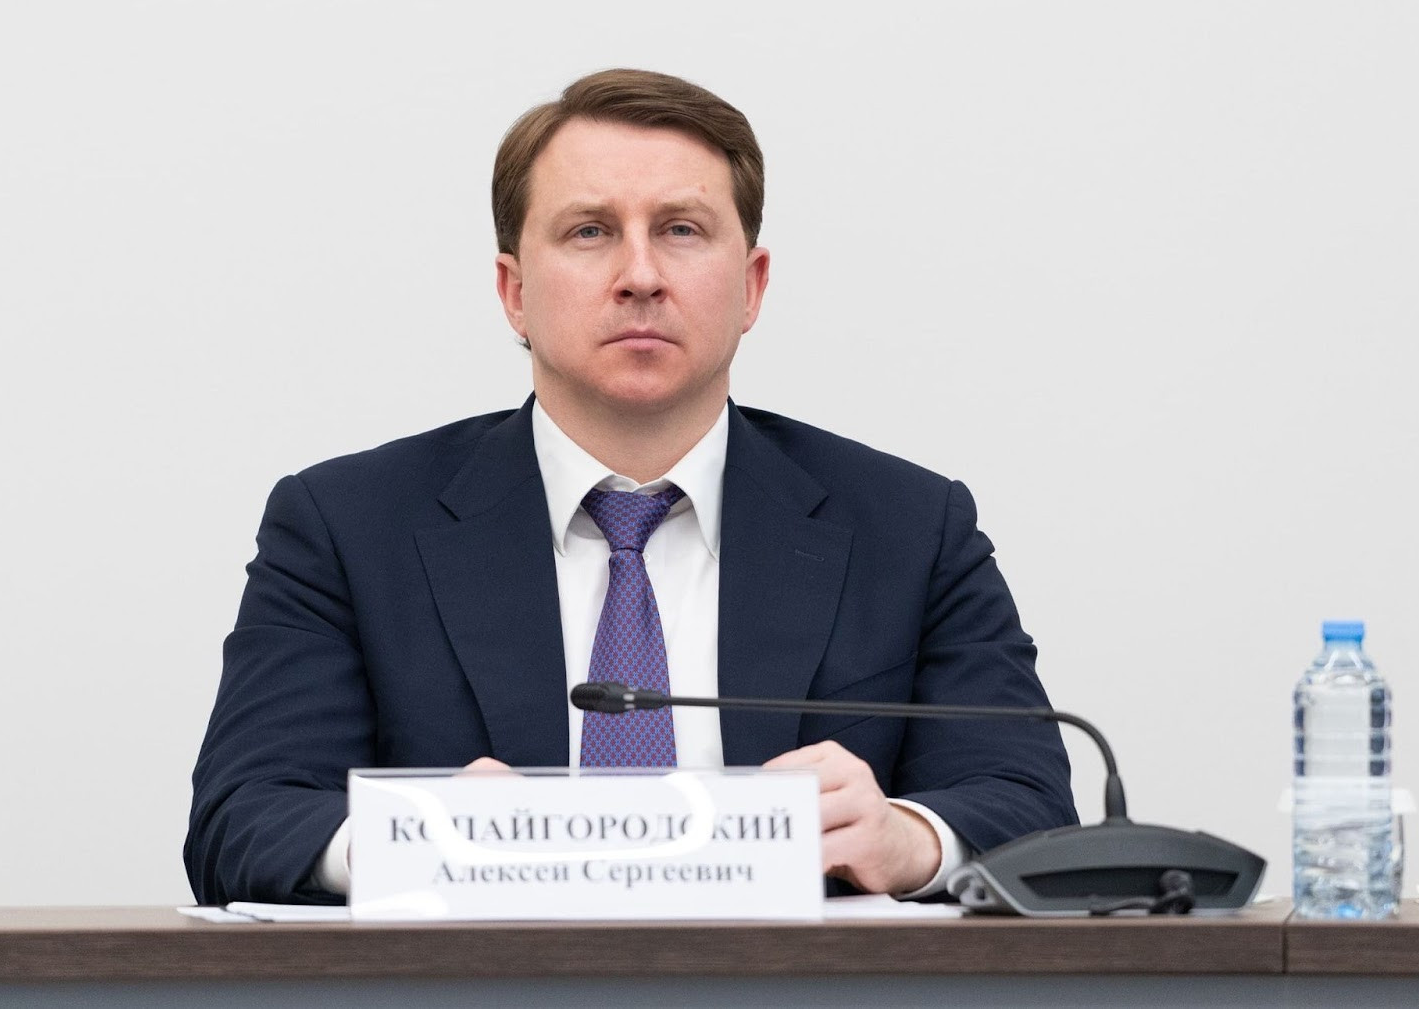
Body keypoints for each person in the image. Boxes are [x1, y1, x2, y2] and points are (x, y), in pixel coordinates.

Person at [185, 69, 1077, 906]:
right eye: (590, 231)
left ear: (752, 286)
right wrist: (416, 836)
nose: (641, 276)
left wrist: (907, 838)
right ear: (513, 291)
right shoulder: (347, 528)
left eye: (681, 230)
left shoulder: (909, 528)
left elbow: (1029, 802)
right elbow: (242, 819)